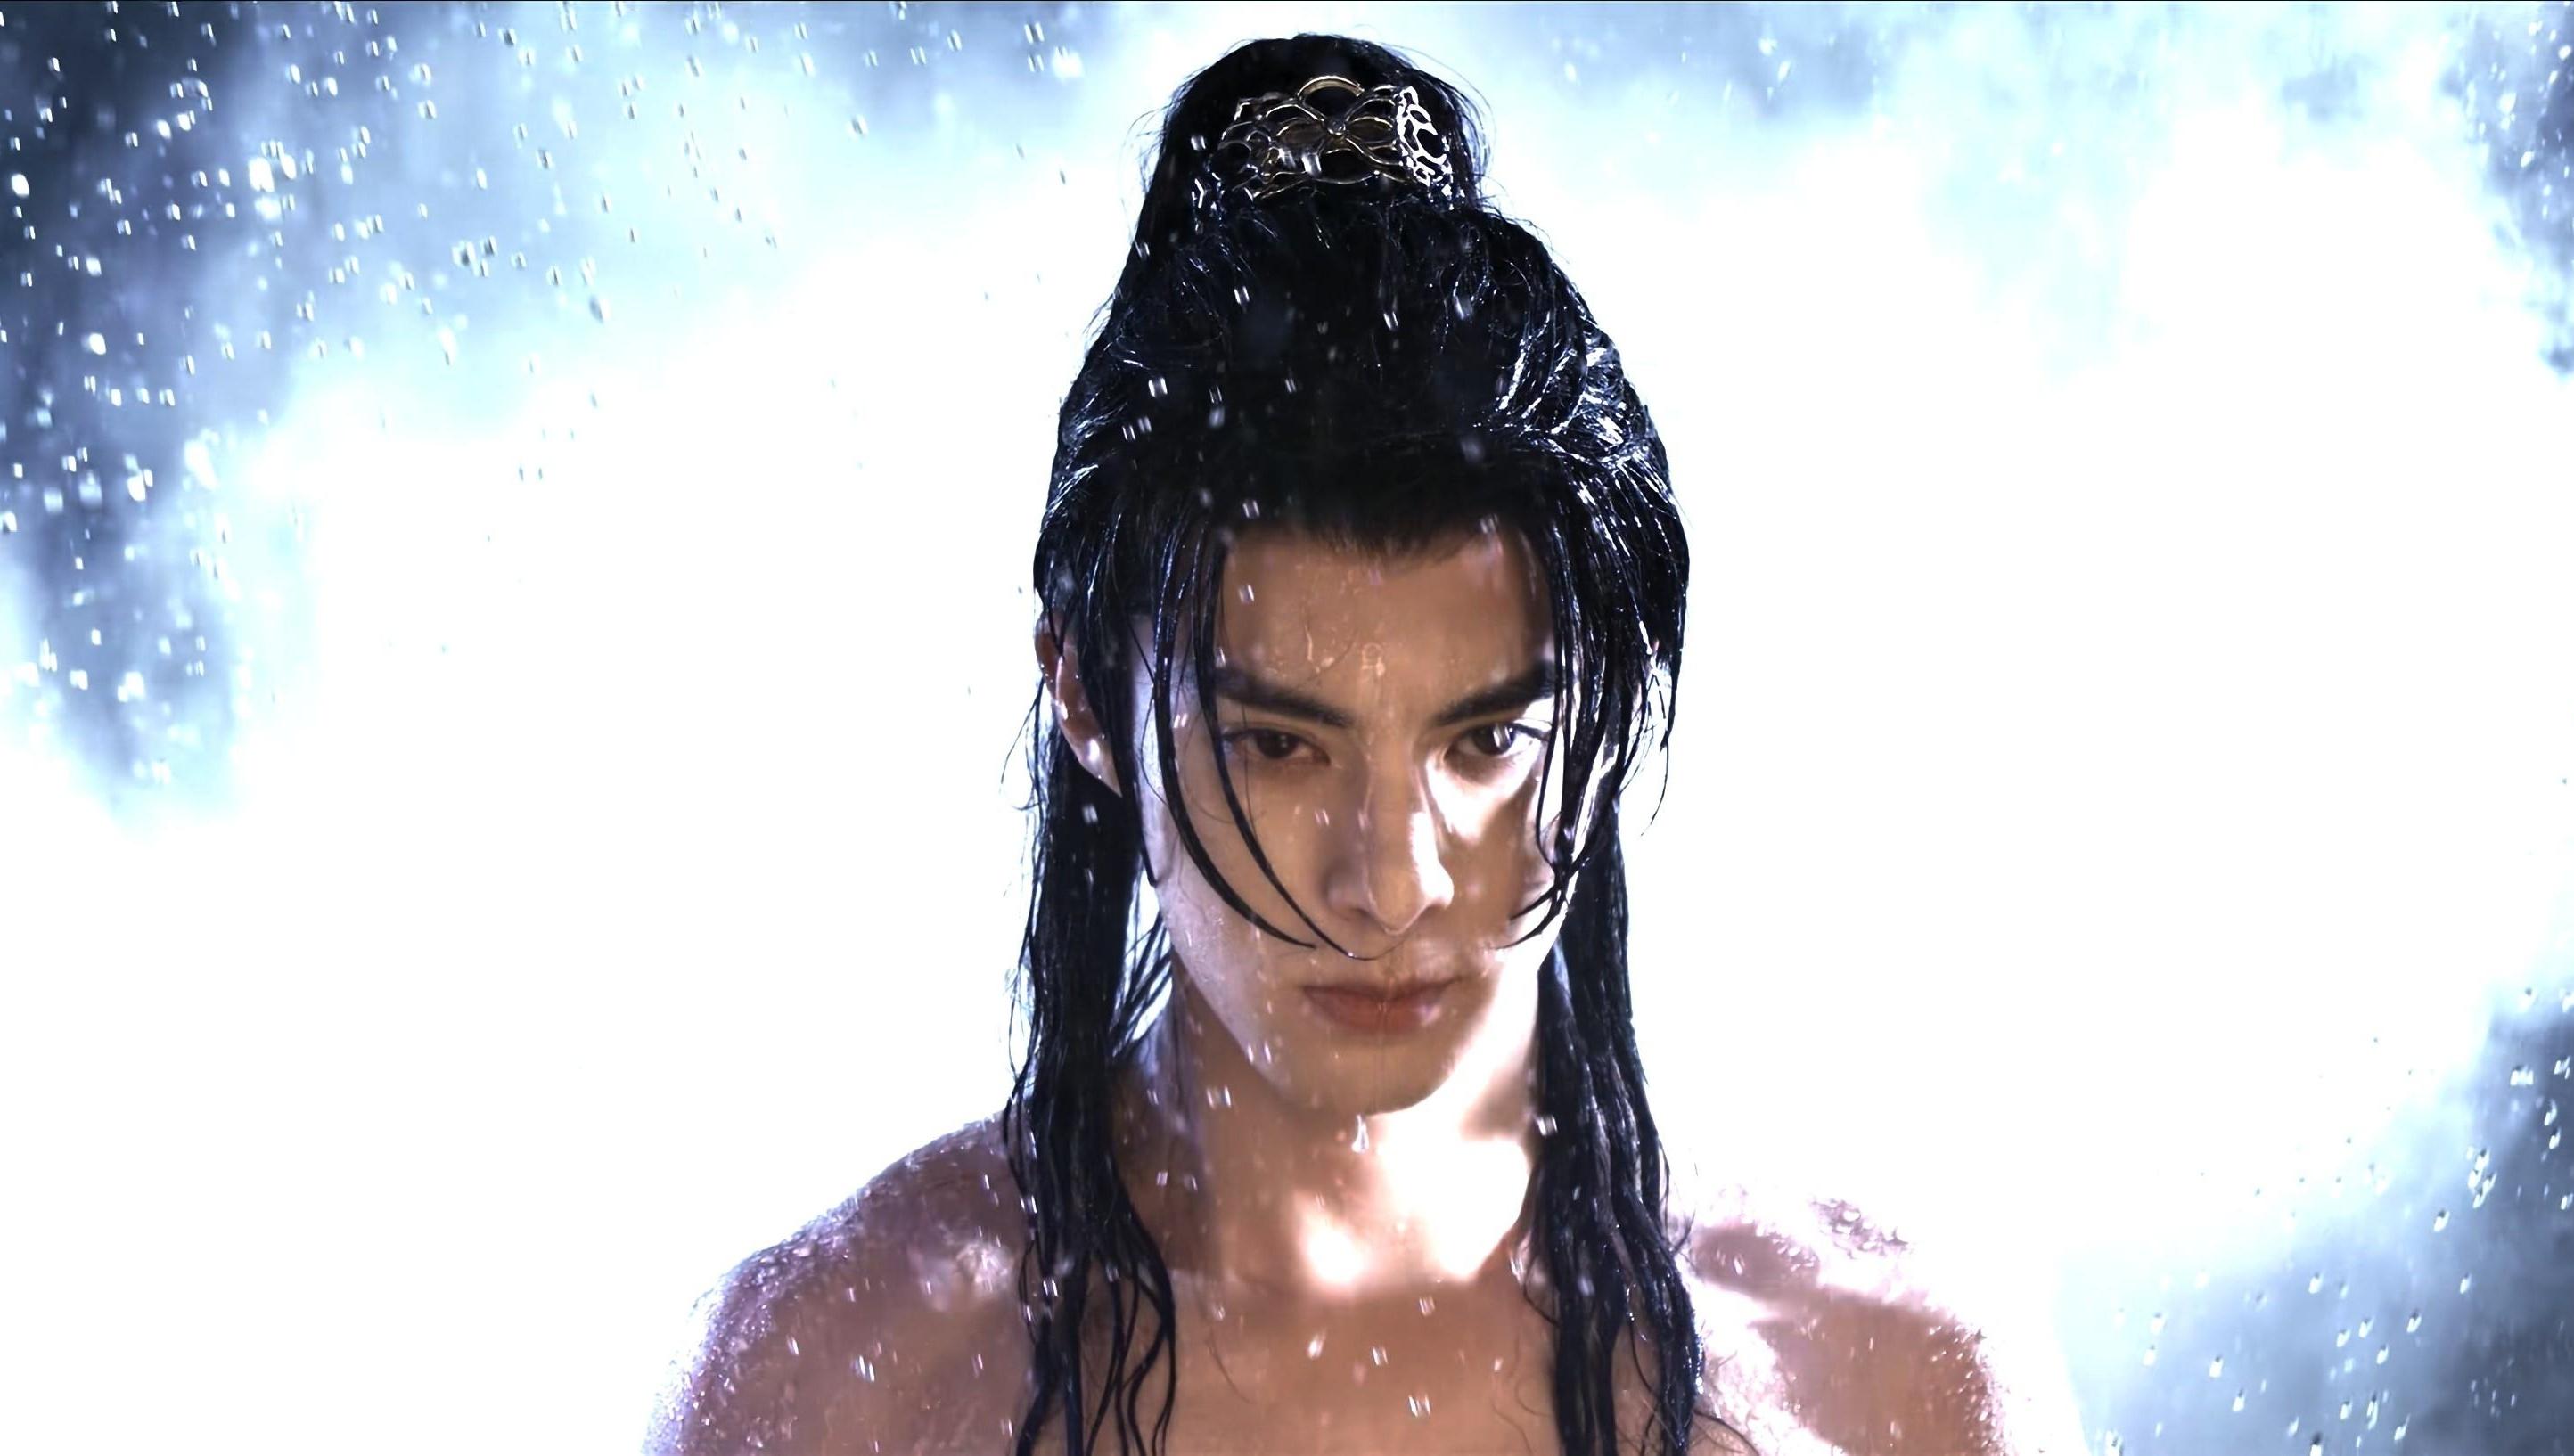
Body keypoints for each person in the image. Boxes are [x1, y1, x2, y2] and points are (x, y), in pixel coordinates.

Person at [650, 35, 2080, 1456]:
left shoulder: (1881, 1379)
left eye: (1488, 737)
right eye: (1282, 745)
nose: (1391, 883)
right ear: (1083, 695)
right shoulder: (837, 1387)